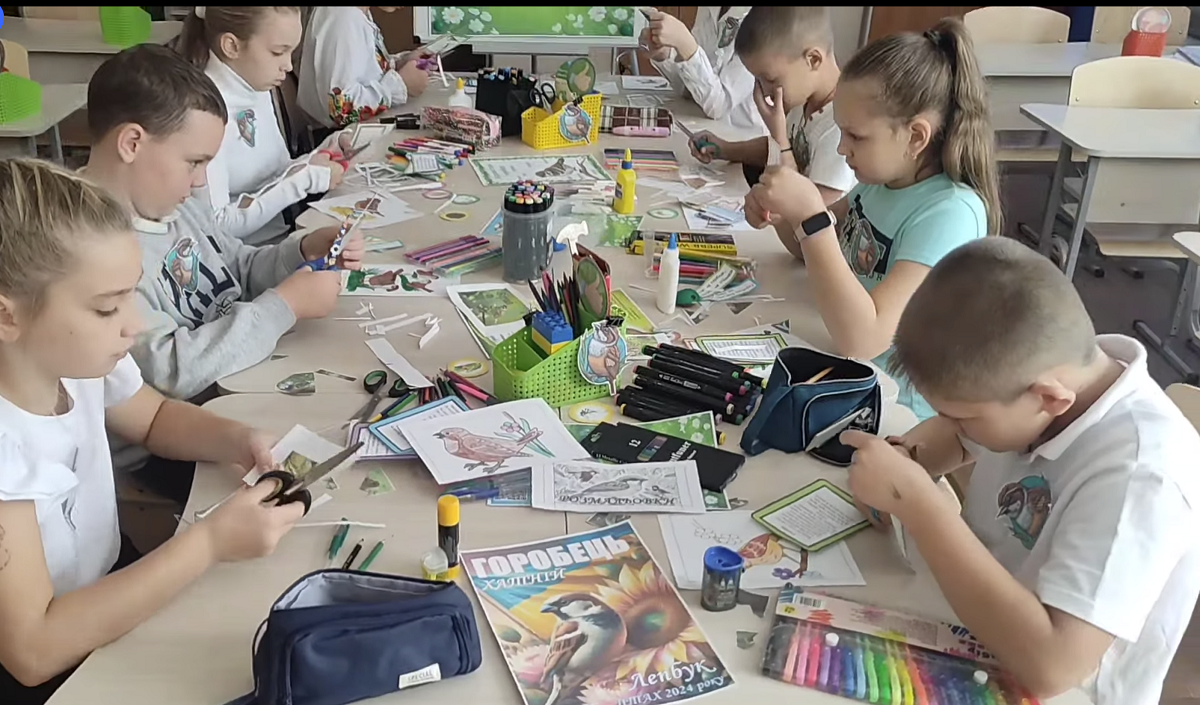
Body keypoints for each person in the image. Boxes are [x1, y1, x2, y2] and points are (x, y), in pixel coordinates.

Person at [840, 236, 1200, 705]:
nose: (954, 425)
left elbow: (1054, 668)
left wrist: (920, 507)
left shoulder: (1142, 474)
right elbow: (955, 437)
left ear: (1049, 398)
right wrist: (907, 458)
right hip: (967, 629)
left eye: (965, 416)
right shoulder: (1047, 377)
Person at [0, 158, 306, 705]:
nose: (134, 324)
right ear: (7, 317)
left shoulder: (76, 358)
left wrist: (237, 439)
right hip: (51, 669)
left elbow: (154, 418)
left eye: (130, 296)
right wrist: (209, 543)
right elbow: (33, 651)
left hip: (108, 586)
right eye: (106, 308)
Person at [80, 44, 364, 497]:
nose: (200, 181)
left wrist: (300, 250)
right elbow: (172, 370)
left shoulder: (174, 206)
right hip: (171, 443)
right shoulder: (90, 251)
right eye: (194, 162)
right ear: (132, 143)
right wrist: (285, 306)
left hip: (232, 394)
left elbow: (237, 267)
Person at [745, 18, 1000, 421]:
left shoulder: (950, 213)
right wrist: (783, 214)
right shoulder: (883, 182)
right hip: (845, 371)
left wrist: (810, 216)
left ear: (916, 137)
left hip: (894, 412)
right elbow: (806, 250)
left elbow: (864, 339)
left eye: (856, 136)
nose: (842, 149)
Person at [178, 6, 349, 245]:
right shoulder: (203, 112)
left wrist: (321, 153)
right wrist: (304, 180)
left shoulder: (253, 82)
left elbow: (274, 176)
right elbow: (217, 226)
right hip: (247, 256)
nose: (288, 66)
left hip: (284, 238)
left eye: (291, 52)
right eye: (278, 52)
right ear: (231, 46)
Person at [686, 6, 855, 197]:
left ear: (813, 60)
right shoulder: (803, 97)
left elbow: (811, 208)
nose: (765, 91)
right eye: (759, 81)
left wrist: (780, 138)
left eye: (771, 79)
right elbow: (776, 149)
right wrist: (725, 149)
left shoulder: (841, 124)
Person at [296, 6, 429, 137]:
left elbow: (363, 70)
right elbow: (340, 109)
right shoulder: (344, 19)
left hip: (345, 133)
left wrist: (400, 64)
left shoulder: (355, 14)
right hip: (338, 139)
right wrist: (399, 84)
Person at [638, 7, 763, 132]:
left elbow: (718, 106)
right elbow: (689, 90)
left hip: (741, 136)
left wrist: (685, 44)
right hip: (700, 127)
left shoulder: (761, 16)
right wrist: (665, 54)